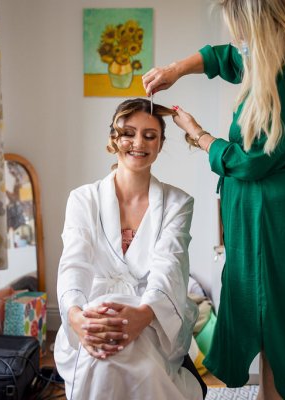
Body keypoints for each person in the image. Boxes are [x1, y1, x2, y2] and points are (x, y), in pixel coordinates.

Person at [142, 1, 285, 399]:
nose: (236, 39)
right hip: (262, 210)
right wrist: (175, 70)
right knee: (260, 311)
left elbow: (248, 162)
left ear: (262, 25)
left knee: (276, 316)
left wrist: (199, 135)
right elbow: (228, 56)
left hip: (278, 217)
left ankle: (277, 395)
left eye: (241, 29)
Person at [54, 98, 205, 400]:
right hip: (94, 313)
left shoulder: (178, 203)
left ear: (161, 144)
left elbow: (169, 267)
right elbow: (75, 263)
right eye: (128, 133)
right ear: (114, 138)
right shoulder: (83, 199)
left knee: (135, 365)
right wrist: (76, 318)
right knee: (102, 357)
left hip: (151, 314)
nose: (138, 143)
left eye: (150, 135)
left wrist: (143, 316)